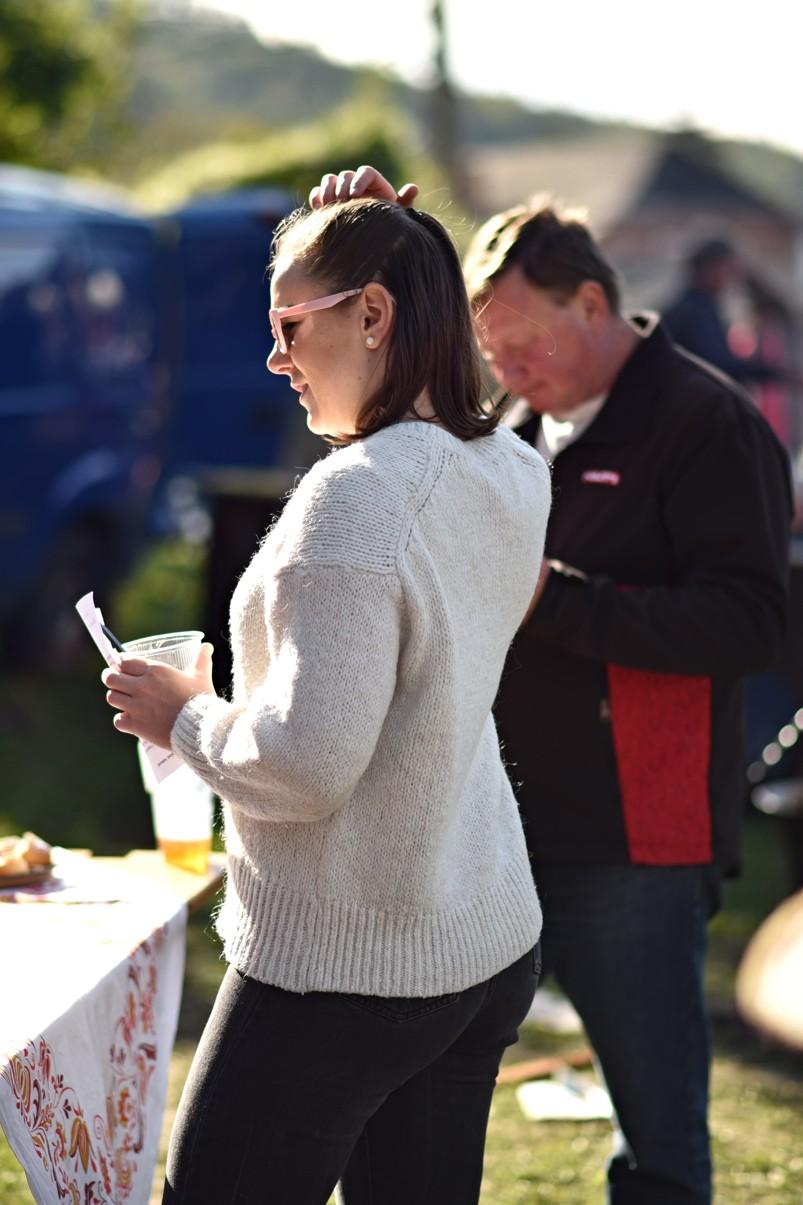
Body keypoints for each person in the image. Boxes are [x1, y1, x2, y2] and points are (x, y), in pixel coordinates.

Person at [309, 169, 793, 1204]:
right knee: (435, 1080)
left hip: (636, 833)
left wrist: (551, 596)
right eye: (493, 351)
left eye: (526, 342)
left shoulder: (705, 420)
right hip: (499, 813)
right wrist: (380, 240)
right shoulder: (521, 421)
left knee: (654, 1120)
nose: (510, 368)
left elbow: (752, 622)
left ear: (592, 303)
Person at [101, 195, 552, 1204]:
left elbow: (304, 766)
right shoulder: (513, 465)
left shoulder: (356, 496)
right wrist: (398, 244)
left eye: (289, 327)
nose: (276, 359)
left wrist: (182, 713)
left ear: (374, 315)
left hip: (346, 964)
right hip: (478, 932)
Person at [662, 236, 789, 385]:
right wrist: (774, 373)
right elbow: (717, 363)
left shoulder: (698, 307)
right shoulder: (694, 312)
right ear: (709, 269)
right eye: (727, 268)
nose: (731, 277)